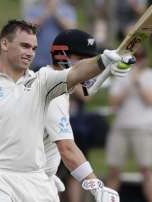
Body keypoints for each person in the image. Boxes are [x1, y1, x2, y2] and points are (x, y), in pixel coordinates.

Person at [0, 19, 135, 202]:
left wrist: (104, 61)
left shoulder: (43, 81)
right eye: (24, 46)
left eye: (33, 48)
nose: (30, 53)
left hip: (36, 180)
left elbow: (76, 73)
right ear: (4, 44)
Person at [44, 29, 114, 202]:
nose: (88, 65)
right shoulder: (52, 91)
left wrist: (108, 68)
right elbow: (67, 148)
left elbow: (86, 91)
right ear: (62, 56)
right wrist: (96, 187)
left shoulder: (52, 79)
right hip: (25, 182)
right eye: (82, 59)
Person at [105, 47, 152, 202]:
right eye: (135, 57)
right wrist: (129, 83)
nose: (138, 60)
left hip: (143, 128)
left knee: (147, 171)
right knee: (114, 172)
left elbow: (151, 100)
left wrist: (137, 81)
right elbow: (113, 104)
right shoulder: (121, 75)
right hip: (121, 128)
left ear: (146, 59)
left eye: (141, 56)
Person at [25, 0, 77, 71]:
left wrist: (56, 13)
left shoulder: (67, 9)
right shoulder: (35, 8)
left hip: (62, 60)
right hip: (39, 61)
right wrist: (46, 13)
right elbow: (29, 30)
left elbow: (72, 30)